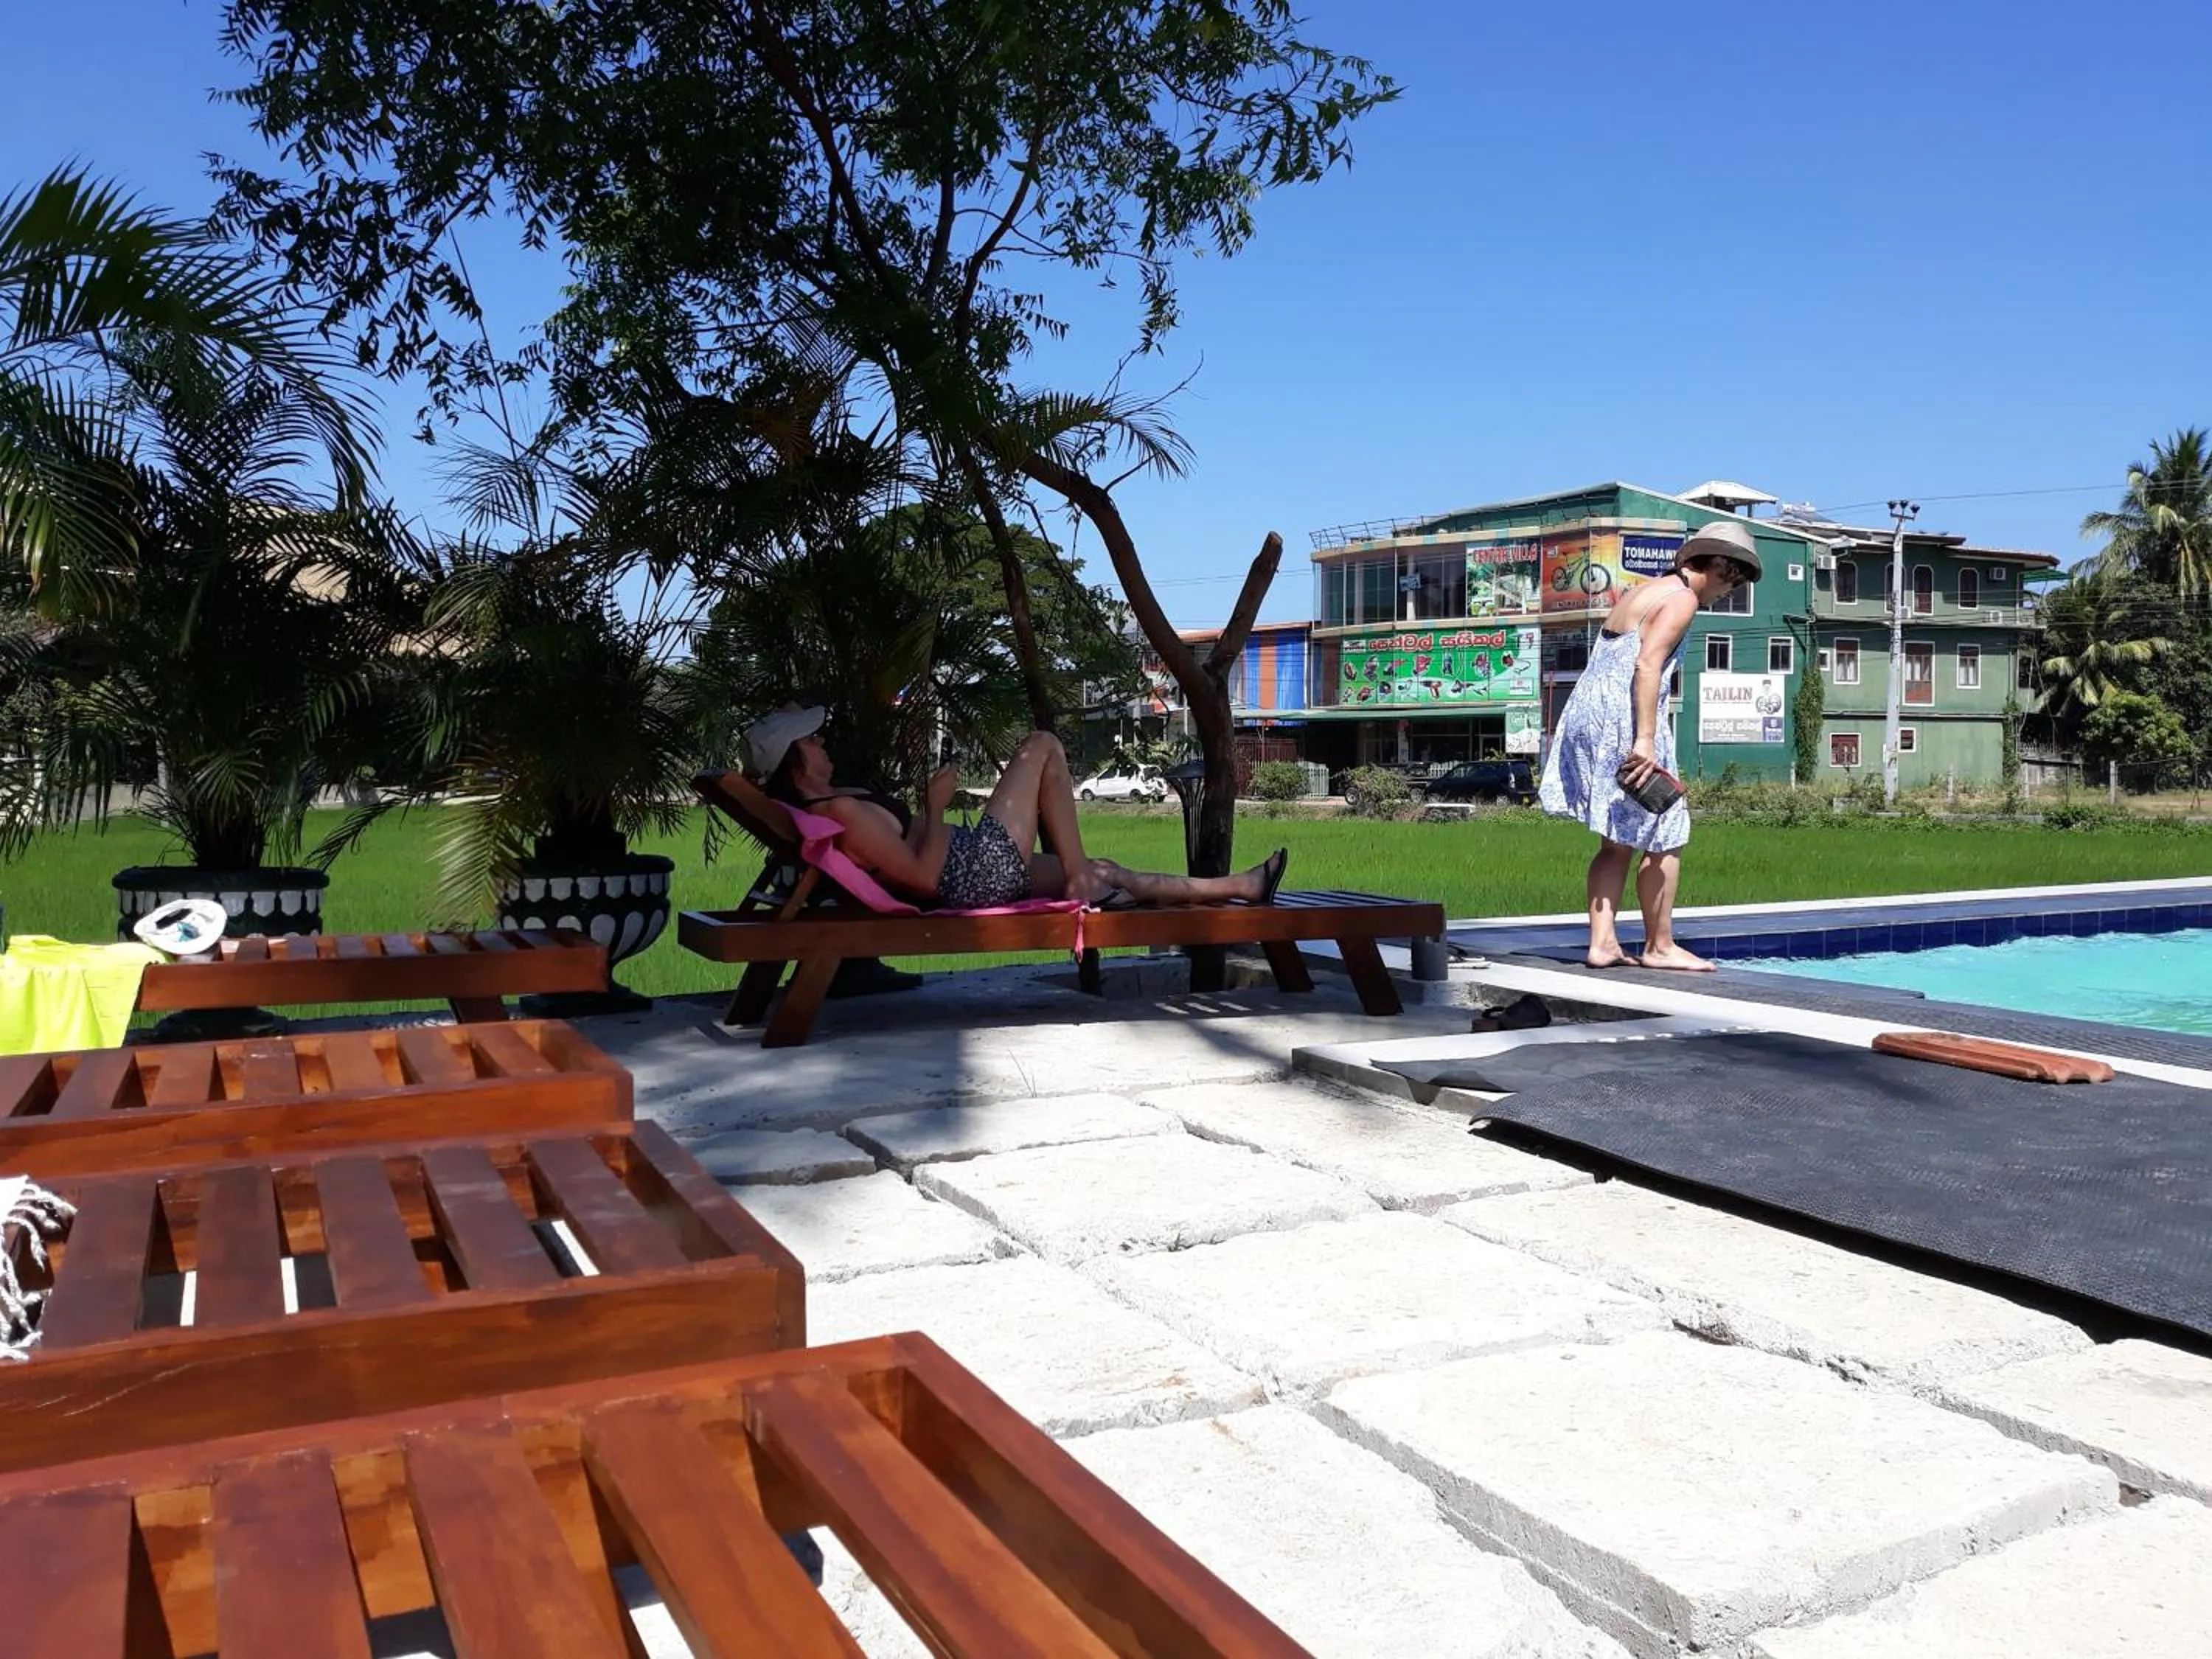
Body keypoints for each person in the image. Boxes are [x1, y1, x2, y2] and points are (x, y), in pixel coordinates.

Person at [740, 705, 1288, 911]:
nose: (823, 742)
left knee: (1110, 873)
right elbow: (922, 877)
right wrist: (932, 809)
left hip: (973, 865)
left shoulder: (832, 807)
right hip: (971, 872)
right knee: (1042, 744)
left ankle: (1241, 887)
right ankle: (1078, 883)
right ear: (795, 760)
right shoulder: (839, 814)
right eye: (812, 740)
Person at [1537, 518, 1762, 971]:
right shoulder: (1681, 600)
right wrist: (1645, 739)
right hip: (1625, 719)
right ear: (1722, 569)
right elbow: (1647, 664)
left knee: (1616, 841)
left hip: (1588, 713)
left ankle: (1603, 944)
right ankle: (1660, 945)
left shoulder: (1645, 590)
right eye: (1731, 585)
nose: (1727, 595)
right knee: (1667, 831)